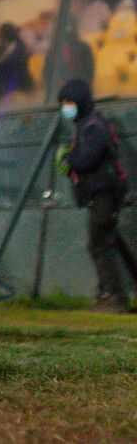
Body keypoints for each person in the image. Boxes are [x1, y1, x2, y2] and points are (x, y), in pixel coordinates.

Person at [55, 79, 133, 312]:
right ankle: (109, 294)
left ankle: (113, 297)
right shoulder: (86, 125)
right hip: (99, 193)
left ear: (79, 101)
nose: (65, 107)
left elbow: (89, 158)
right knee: (108, 240)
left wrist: (69, 162)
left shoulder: (93, 127)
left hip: (104, 193)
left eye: (68, 102)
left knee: (100, 243)